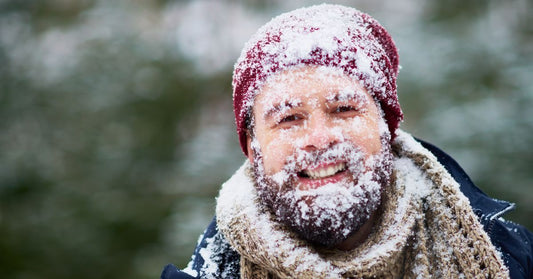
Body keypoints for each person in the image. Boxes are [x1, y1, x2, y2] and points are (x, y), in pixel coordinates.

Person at [161, 4, 533, 279]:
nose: (320, 138)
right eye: (288, 119)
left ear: (386, 128)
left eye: (343, 109)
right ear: (253, 147)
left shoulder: (514, 257)